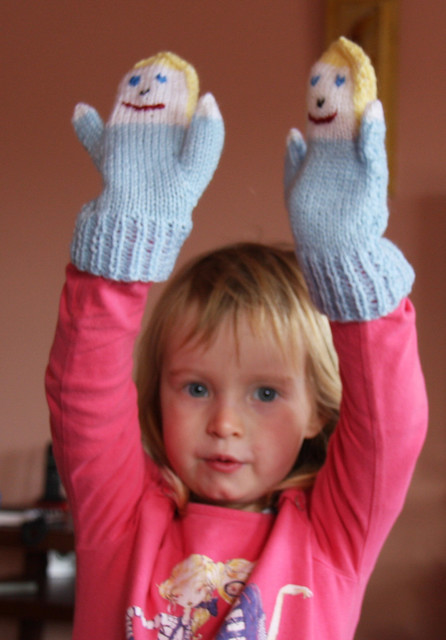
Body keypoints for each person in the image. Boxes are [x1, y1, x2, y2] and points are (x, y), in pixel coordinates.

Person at [46, 41, 428, 640]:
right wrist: (124, 244)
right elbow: (83, 396)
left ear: (316, 412)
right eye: (196, 387)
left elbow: (392, 427)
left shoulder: (332, 536)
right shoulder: (119, 516)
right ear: (157, 398)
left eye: (266, 394)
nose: (225, 422)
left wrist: (347, 258)